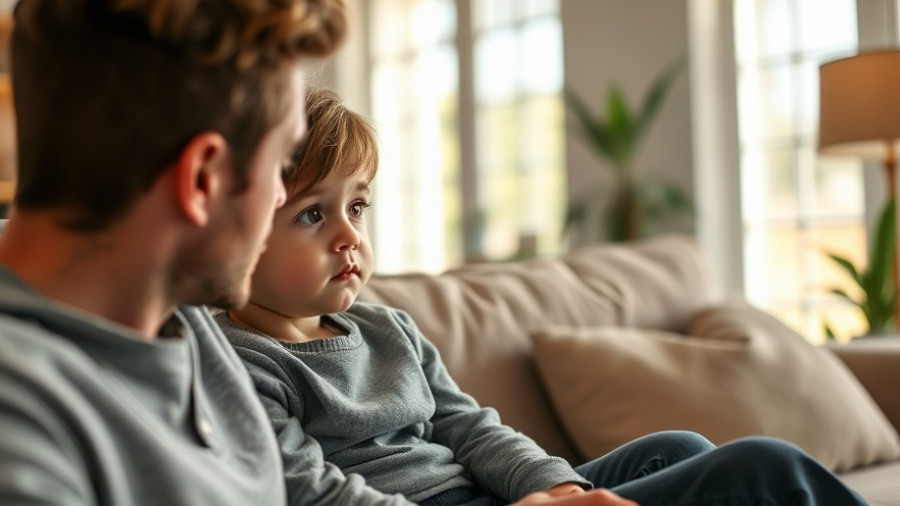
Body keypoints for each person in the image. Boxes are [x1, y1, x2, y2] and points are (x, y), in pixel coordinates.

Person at [0, 1, 636, 505]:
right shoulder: (25, 420)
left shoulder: (181, 320)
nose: (284, 193)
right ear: (201, 181)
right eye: (282, 167)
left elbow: (313, 489)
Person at [215, 86, 869, 506]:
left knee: (682, 448)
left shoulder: (390, 328)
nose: (349, 237)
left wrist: (551, 488)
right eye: (311, 215)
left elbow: (470, 427)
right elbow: (308, 491)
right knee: (763, 465)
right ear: (241, 229)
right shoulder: (238, 359)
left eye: (358, 207)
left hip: (495, 494)